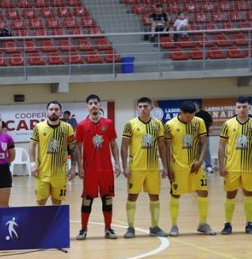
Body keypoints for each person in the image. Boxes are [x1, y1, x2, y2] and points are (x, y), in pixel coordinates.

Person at [163, 101, 216, 237]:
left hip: (196, 165)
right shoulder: (169, 125)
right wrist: (168, 168)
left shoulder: (199, 122)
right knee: (175, 195)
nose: (190, 119)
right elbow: (167, 148)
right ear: (181, 112)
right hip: (178, 166)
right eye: (188, 116)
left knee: (203, 193)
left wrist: (200, 161)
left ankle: (203, 224)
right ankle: (174, 226)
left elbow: (204, 143)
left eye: (192, 116)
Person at [75, 94, 122, 239]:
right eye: (90, 103)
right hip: (90, 170)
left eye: (96, 103)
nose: (94, 105)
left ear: (99, 105)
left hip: (106, 169)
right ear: (87, 107)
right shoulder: (82, 125)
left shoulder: (108, 123)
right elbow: (77, 147)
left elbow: (113, 145)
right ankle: (83, 229)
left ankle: (108, 228)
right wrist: (80, 167)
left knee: (107, 198)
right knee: (87, 198)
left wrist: (117, 163)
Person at [121, 97, 168, 238]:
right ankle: (130, 228)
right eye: (140, 106)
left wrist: (165, 166)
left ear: (151, 108)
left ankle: (154, 226)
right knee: (132, 196)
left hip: (153, 168)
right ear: (137, 108)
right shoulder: (130, 124)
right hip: (135, 168)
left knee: (154, 196)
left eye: (145, 106)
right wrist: (125, 166)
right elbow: (124, 146)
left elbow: (161, 146)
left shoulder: (158, 125)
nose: (142, 109)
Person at [218, 96, 252, 235]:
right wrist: (221, 165)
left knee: (249, 194)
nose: (242, 109)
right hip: (231, 167)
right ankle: (227, 224)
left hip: (249, 168)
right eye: (239, 107)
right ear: (235, 108)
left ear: (249, 107)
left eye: (244, 107)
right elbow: (221, 146)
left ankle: (249, 223)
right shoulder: (228, 124)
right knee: (230, 195)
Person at [29, 101, 76, 206]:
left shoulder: (67, 128)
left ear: (60, 112)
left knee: (57, 203)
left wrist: (73, 167)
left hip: (59, 174)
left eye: (56, 109)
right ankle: (42, 223)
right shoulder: (38, 127)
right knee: (40, 203)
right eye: (51, 109)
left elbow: (73, 148)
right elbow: (32, 145)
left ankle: (54, 223)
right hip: (42, 173)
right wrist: (32, 164)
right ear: (47, 112)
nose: (53, 112)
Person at [194, 102, 214, 173]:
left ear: (198, 106)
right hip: (194, 136)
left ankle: (208, 166)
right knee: (195, 150)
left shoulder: (205, 113)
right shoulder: (192, 114)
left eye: (194, 106)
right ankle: (196, 166)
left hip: (205, 135)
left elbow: (211, 122)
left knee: (206, 150)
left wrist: (206, 128)